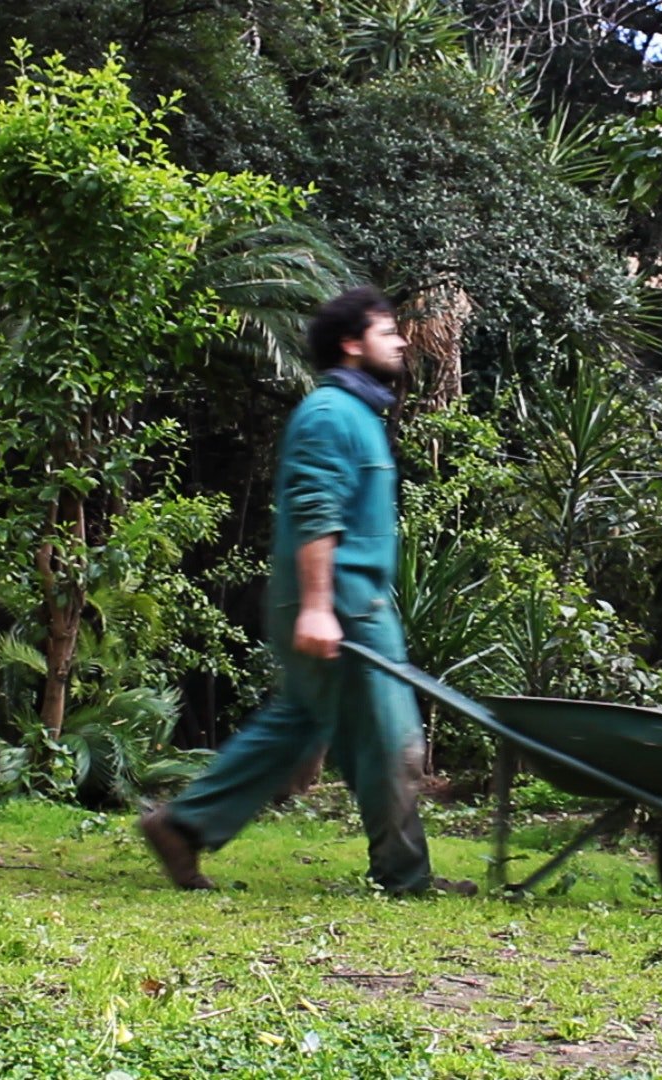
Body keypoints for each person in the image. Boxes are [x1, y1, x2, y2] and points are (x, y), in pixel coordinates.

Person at [139, 286, 473, 897]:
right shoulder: (329, 415)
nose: (400, 340)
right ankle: (403, 876)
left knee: (298, 726)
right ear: (352, 344)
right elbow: (315, 512)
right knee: (393, 743)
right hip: (338, 605)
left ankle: (182, 827)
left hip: (353, 603)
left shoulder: (356, 414)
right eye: (386, 331)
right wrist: (319, 608)